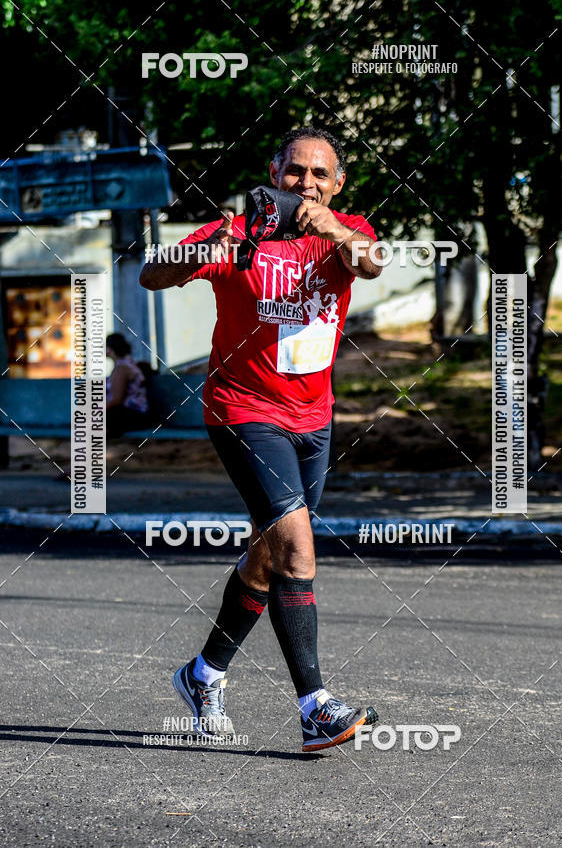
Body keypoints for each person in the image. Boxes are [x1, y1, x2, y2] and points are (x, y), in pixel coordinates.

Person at [140, 126, 382, 752]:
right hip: (243, 412)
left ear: (337, 184)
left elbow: (374, 263)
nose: (305, 184)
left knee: (271, 554)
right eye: (295, 171)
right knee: (298, 547)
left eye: (319, 175)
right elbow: (150, 275)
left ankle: (203, 674)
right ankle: (315, 707)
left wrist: (332, 229)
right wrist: (200, 251)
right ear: (274, 172)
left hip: (314, 419)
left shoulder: (345, 232)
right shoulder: (240, 232)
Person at [105, 333, 151, 437]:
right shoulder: (127, 364)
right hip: (136, 415)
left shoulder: (122, 368)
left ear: (110, 349)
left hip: (133, 416)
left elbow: (117, 399)